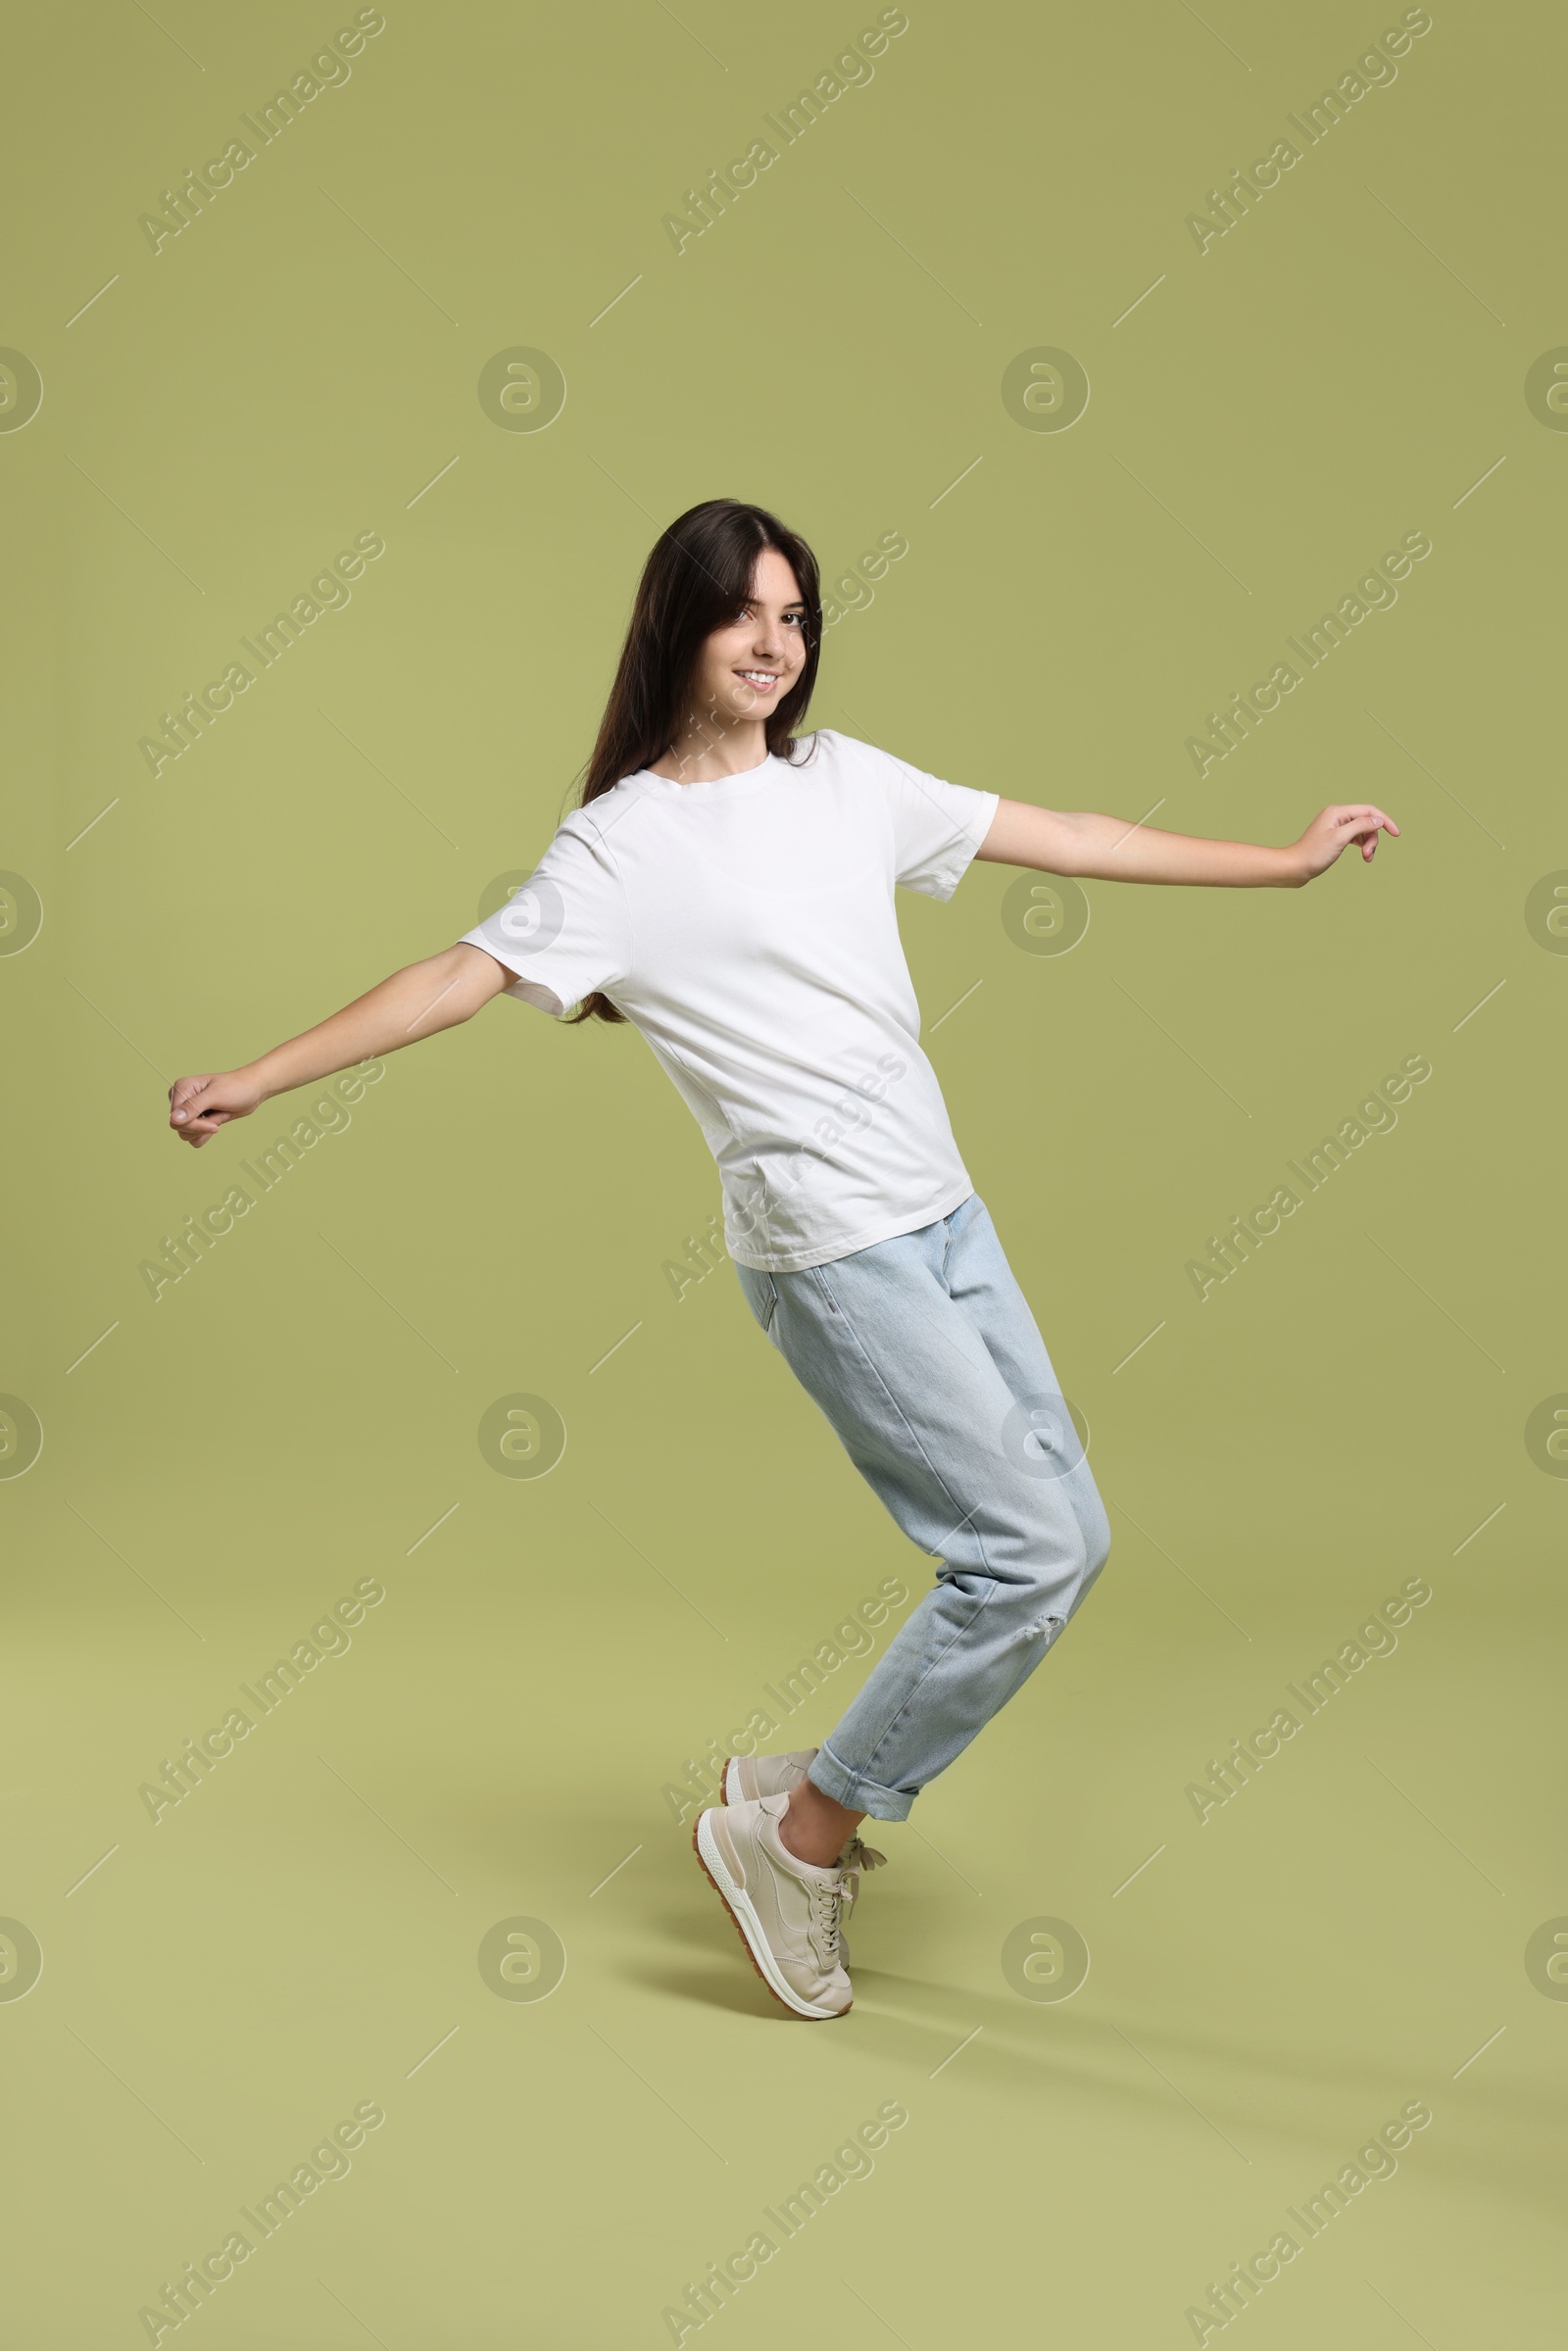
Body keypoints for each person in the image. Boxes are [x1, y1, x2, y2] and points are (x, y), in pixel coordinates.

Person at [168, 498, 1399, 2021]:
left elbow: (1061, 834)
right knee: (1024, 1554)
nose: (774, 642)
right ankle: (801, 1837)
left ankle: (807, 1783)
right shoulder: (619, 849)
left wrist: (1278, 865)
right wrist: (261, 1076)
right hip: (834, 1252)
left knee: (1067, 1528)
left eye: (797, 615)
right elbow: (455, 977)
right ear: (677, 629)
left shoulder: (845, 782)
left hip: (945, 1215)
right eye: (744, 613)